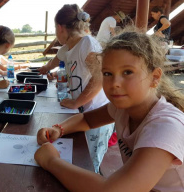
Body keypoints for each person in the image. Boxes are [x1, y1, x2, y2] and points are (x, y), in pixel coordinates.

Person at [35, 31, 184, 192]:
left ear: (155, 77)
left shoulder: (165, 127)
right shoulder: (124, 108)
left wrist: (51, 161)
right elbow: (87, 120)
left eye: (127, 72)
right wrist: (59, 128)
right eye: (107, 73)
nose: (114, 83)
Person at [39, 4, 114, 173]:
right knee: (79, 158)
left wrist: (76, 102)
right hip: (82, 115)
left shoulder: (87, 43)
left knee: (89, 163)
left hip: (96, 115)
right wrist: (44, 69)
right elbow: (53, 62)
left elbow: (100, 77)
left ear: (60, 27)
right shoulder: (67, 48)